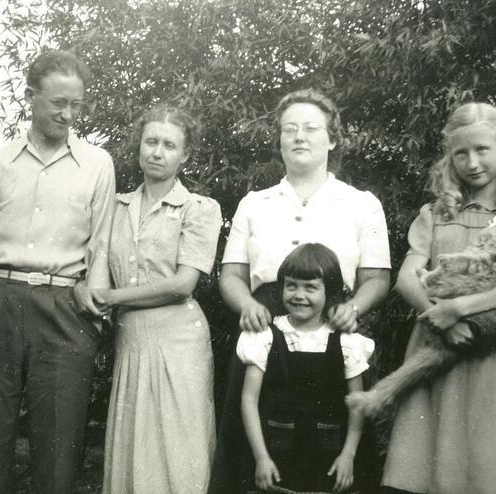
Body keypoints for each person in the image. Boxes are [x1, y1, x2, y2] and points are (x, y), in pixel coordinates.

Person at [210, 89, 392, 493]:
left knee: (332, 446)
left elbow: (378, 279)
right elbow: (231, 275)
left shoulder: (361, 203)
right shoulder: (254, 203)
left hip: (333, 330)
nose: (299, 136)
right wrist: (247, 305)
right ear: (279, 139)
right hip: (265, 330)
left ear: (332, 139)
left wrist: (353, 309)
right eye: (289, 129)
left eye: (311, 128)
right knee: (255, 453)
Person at [381, 102, 496, 494]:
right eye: (461, 153)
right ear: (450, 157)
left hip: (493, 349)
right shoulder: (435, 213)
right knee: (432, 463)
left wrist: (460, 309)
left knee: (489, 461)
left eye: (482, 150)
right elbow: (407, 278)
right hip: (436, 340)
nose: (472, 162)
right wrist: (440, 318)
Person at [0, 50, 115, 494]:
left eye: (76, 105)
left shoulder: (97, 164)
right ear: (31, 97)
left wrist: (93, 312)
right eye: (58, 103)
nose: (68, 115)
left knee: (59, 441)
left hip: (65, 308)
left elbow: (101, 244)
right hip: (0, 300)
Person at [79, 106, 222, 494]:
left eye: (169, 145)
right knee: (136, 450)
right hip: (132, 341)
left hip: (179, 342)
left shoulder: (198, 208)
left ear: (185, 155)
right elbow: (91, 268)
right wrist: (85, 291)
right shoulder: (114, 207)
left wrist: (111, 297)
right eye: (151, 142)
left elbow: (183, 284)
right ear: (139, 146)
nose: (158, 152)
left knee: (178, 451)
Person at [239, 243, 373, 493]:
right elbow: (249, 399)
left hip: (329, 458)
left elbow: (357, 403)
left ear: (329, 290)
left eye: (310, 287)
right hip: (276, 457)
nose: (299, 295)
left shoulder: (346, 342)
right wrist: (261, 458)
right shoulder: (265, 336)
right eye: (291, 285)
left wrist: (348, 454)